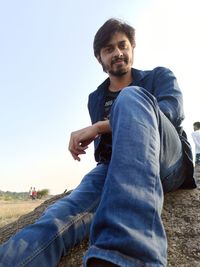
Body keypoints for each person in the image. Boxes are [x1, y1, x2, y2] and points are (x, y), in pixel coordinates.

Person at [0, 18, 196, 267]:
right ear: (100, 59)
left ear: (132, 48)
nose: (118, 53)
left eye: (122, 45)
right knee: (59, 215)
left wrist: (99, 126)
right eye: (109, 49)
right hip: (115, 164)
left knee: (131, 97)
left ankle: (128, 256)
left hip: (166, 157)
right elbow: (104, 150)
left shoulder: (159, 76)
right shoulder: (96, 98)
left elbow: (172, 112)